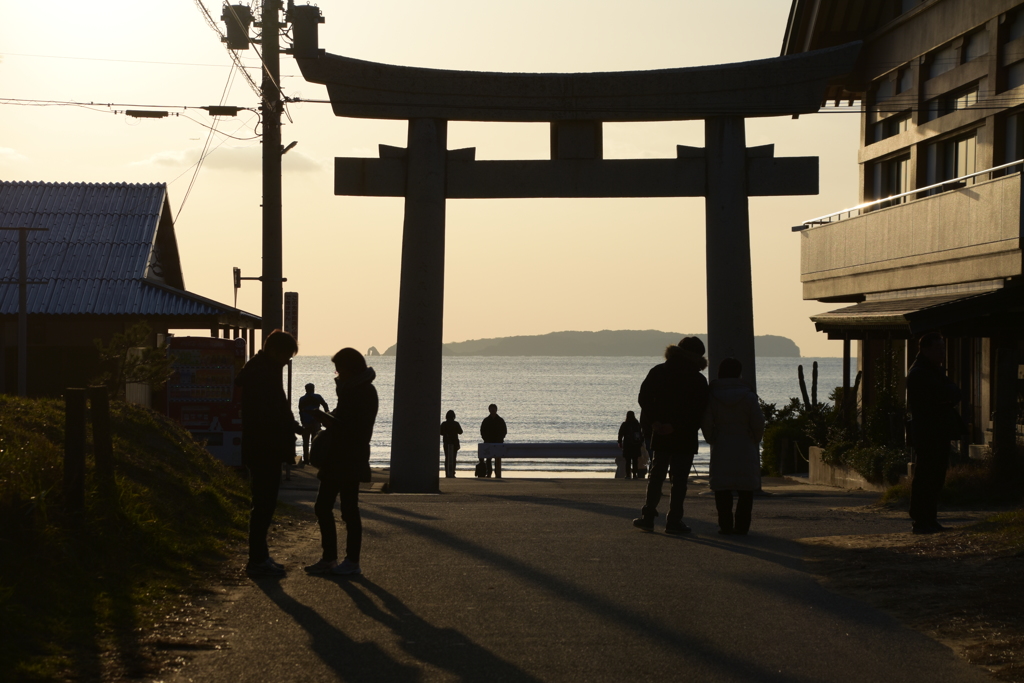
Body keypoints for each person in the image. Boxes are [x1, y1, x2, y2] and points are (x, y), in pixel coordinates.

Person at [305, 348, 379, 576]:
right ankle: (335, 559)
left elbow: (351, 428)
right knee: (333, 507)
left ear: (350, 368)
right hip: (342, 457)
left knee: (344, 509)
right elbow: (344, 421)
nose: (336, 373)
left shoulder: (361, 392)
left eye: (339, 368)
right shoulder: (353, 390)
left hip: (348, 456)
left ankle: (348, 560)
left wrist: (324, 418)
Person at [235, 329, 301, 576]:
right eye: (286, 356)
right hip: (265, 446)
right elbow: (275, 409)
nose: (286, 361)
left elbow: (279, 406)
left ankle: (260, 556)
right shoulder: (263, 373)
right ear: (275, 351)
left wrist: (292, 426)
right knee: (263, 504)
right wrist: (291, 427)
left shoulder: (261, 369)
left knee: (263, 503)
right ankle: (257, 559)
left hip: (260, 445)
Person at [633, 336, 709, 535]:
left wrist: (655, 422)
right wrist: (675, 426)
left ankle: (648, 516)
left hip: (660, 432)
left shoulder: (659, 371)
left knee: (657, 475)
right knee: (679, 479)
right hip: (684, 433)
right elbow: (698, 410)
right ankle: (674, 520)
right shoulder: (698, 379)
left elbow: (644, 398)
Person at [907, 332, 962, 534]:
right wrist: (946, 395)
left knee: (936, 476)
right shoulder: (920, 372)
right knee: (926, 476)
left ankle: (929, 518)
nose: (942, 353)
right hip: (928, 432)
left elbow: (953, 392)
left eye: (943, 349)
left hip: (937, 431)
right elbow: (939, 396)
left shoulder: (933, 370)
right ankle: (922, 519)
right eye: (938, 349)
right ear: (925, 349)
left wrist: (948, 395)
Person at [701, 358, 765, 535]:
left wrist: (712, 438)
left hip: (722, 443)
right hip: (745, 443)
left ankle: (725, 525)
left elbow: (706, 422)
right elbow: (758, 421)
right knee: (745, 489)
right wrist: (755, 438)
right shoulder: (749, 395)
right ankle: (742, 526)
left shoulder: (712, 395)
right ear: (739, 373)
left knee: (722, 488)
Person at [298, 383, 330, 466]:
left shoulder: (302, 399)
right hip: (316, 421)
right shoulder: (317, 397)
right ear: (313, 389)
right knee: (315, 442)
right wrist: (326, 416)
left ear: (306, 389)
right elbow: (325, 405)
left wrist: (302, 421)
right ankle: (313, 459)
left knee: (305, 442)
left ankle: (306, 460)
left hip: (306, 422)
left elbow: (300, 411)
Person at [479, 403, 507, 478]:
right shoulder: (486, 420)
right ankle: (489, 473)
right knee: (488, 459)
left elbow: (504, 431)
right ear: (489, 410)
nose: (492, 411)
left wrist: (501, 438)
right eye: (491, 409)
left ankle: (497, 473)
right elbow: (482, 431)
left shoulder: (500, 420)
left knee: (497, 459)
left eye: (494, 409)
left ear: (496, 410)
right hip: (488, 442)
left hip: (498, 442)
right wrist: (485, 439)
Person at [617, 411, 644, 479]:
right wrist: (641, 443)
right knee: (635, 461)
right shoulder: (637, 424)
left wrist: (620, 442)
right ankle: (635, 474)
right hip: (636, 445)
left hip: (627, 445)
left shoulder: (625, 424)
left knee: (628, 461)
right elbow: (641, 434)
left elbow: (620, 434)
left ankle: (628, 475)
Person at [440, 410, 463, 478]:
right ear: (454, 416)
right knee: (453, 458)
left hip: (446, 442)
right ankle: (452, 472)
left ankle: (447, 472)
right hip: (454, 443)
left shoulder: (444, 424)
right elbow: (460, 432)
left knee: (447, 458)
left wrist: (446, 434)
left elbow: (440, 432)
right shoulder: (456, 423)